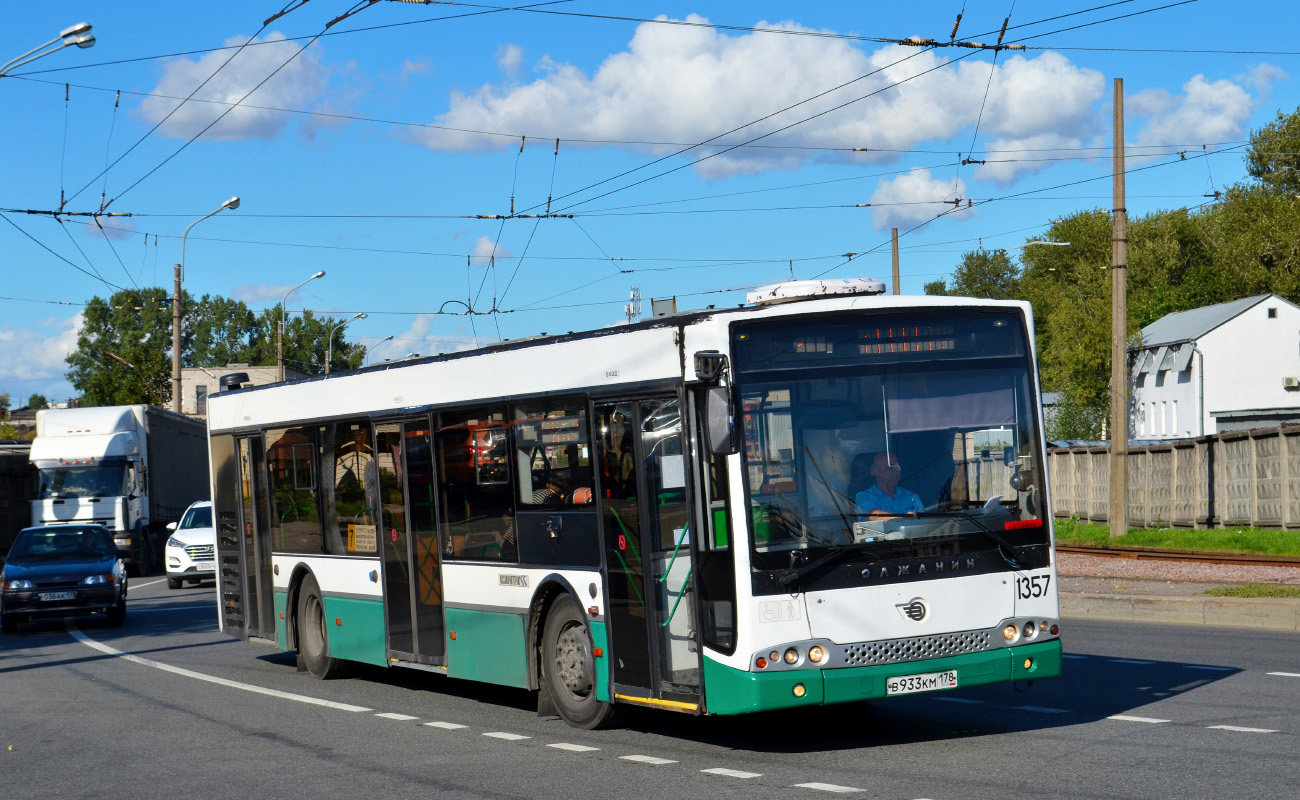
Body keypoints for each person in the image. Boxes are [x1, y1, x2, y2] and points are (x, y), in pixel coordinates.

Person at [855, 452, 923, 516]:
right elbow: (874, 515)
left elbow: (926, 523)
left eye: (897, 467)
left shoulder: (912, 497)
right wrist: (906, 520)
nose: (896, 472)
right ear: (875, 471)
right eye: (889, 468)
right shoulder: (864, 497)